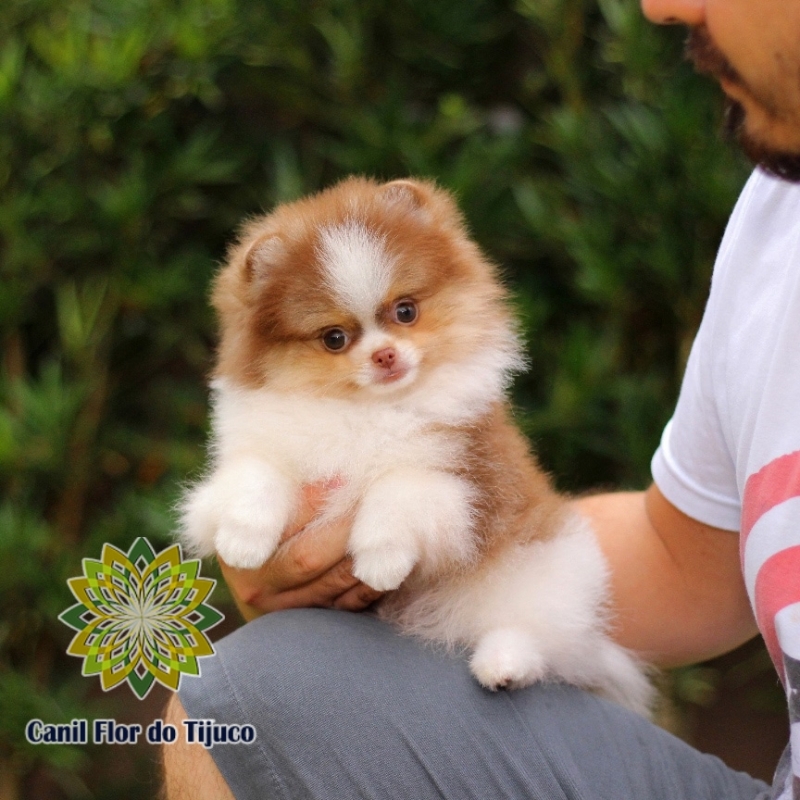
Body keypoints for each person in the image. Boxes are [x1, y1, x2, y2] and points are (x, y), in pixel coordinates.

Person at [162, 0, 800, 797]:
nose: (662, 6)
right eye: (336, 337)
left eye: (401, 314)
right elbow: (685, 565)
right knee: (235, 699)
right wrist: (329, 571)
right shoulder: (776, 218)